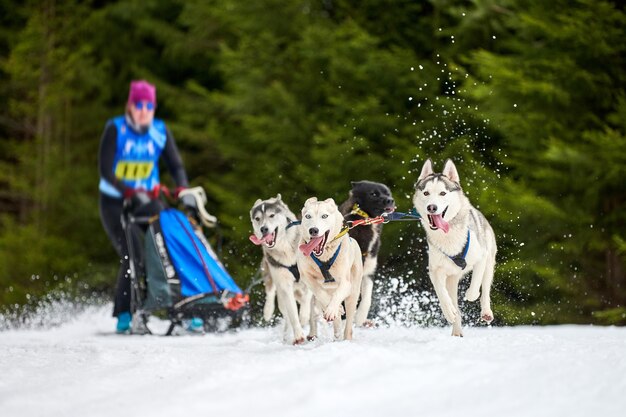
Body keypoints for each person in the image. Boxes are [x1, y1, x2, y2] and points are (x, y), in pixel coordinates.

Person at [98, 80, 198, 333]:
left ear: (153, 109)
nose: (143, 110)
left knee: (174, 245)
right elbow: (106, 169)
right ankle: (124, 313)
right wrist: (128, 192)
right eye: (139, 105)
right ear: (130, 106)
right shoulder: (116, 129)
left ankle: (188, 308)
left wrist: (183, 189)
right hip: (116, 202)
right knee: (132, 255)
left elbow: (175, 166)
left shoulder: (160, 130)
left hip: (149, 200)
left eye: (148, 106)